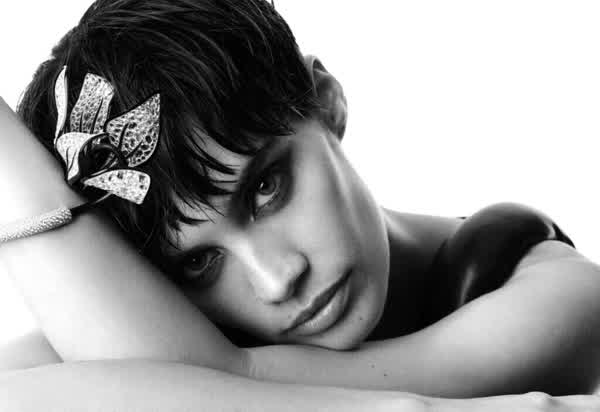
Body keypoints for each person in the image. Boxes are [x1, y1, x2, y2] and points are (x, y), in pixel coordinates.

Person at [1, 0, 600, 410]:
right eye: (199, 263)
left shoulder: (552, 292)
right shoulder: (180, 324)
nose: (276, 279)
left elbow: (222, 385)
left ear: (326, 102)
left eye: (265, 190)